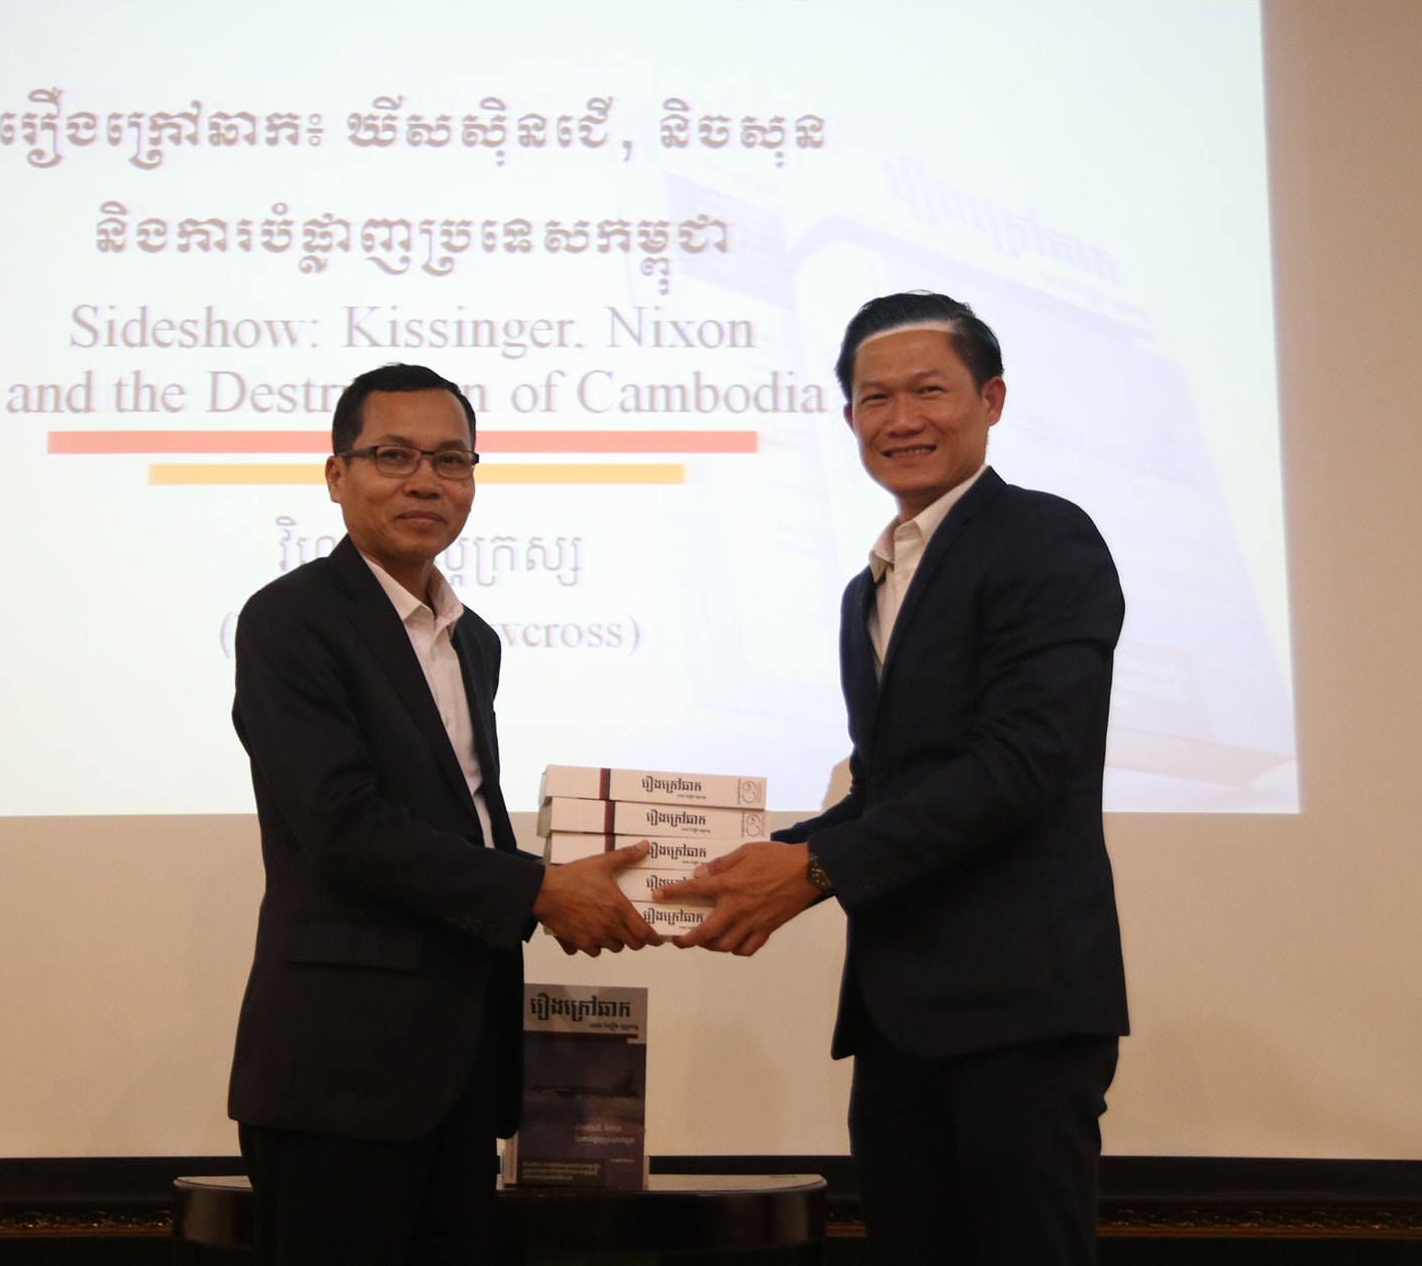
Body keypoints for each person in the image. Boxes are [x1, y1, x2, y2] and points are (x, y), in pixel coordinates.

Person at [658, 293, 1129, 1264]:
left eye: (929, 390)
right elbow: (885, 788)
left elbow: (1022, 763)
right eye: (875, 398)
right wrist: (736, 863)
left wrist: (813, 870)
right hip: (898, 1018)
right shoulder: (866, 588)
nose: (901, 418)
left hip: (1018, 1010)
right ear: (847, 418)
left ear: (990, 400)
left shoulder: (1044, 539)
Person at [228, 362, 659, 1266]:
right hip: (342, 1075)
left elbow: (467, 823)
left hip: (461, 1064)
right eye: (394, 455)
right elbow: (342, 825)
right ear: (337, 474)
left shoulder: (475, 640)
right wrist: (540, 889)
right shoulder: (290, 620)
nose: (426, 480)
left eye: (451, 459)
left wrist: (573, 885)